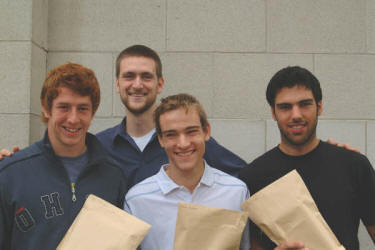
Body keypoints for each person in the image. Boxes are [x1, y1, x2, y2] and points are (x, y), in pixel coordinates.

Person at [239, 66, 375, 250]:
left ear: (319, 107)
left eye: (304, 104)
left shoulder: (354, 166)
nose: (296, 115)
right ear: (273, 113)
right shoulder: (252, 177)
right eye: (285, 107)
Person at [0, 63, 127, 249]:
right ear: (45, 108)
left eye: (82, 108)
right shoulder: (10, 174)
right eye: (64, 107)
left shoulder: (113, 176)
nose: (73, 119)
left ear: (93, 112)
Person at [125, 93, 250, 250]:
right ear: (161, 139)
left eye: (191, 131)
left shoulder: (236, 192)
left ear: (206, 132)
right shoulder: (137, 200)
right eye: (171, 134)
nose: (183, 143)